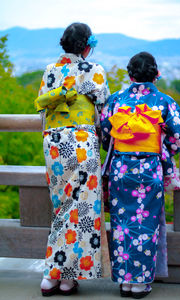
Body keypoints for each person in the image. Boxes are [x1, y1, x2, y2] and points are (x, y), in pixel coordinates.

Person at [100, 52, 180, 298]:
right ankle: (139, 283)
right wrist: (159, 145)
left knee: (121, 224)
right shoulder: (164, 101)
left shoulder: (116, 99)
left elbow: (107, 135)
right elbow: (178, 139)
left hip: (121, 168)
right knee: (145, 224)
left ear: (130, 75)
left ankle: (124, 282)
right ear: (156, 74)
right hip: (149, 169)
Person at [35, 22, 110, 297]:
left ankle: (52, 278)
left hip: (53, 144)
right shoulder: (94, 70)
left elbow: (43, 112)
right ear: (87, 46)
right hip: (81, 142)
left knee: (62, 208)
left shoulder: (50, 71)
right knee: (82, 211)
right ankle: (63, 279)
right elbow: (103, 111)